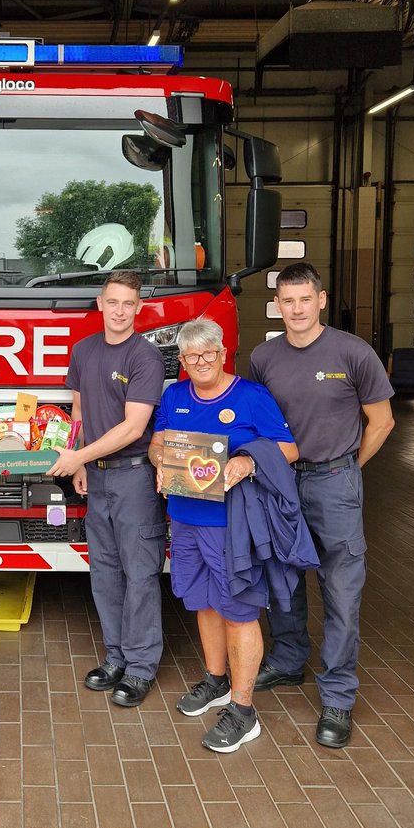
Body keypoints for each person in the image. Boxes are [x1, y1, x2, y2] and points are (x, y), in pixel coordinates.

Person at [249, 261, 395, 748]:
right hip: (281, 482)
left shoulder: (353, 353)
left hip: (334, 480)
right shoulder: (264, 358)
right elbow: (257, 421)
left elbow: (382, 421)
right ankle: (289, 661)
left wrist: (351, 466)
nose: (296, 309)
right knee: (284, 577)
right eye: (286, 301)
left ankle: (337, 697)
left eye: (304, 299)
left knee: (341, 589)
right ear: (276, 305)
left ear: (321, 300)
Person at [149, 318, 300, 752]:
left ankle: (243, 708)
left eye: (208, 354)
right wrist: (160, 458)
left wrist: (248, 462)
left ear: (222, 354)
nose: (200, 362)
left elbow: (288, 448)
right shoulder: (175, 394)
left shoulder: (251, 396)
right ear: (181, 360)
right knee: (202, 601)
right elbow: (157, 442)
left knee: (238, 608)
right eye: (191, 356)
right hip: (185, 517)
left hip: (232, 523)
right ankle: (216, 680)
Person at [48, 270, 167, 707]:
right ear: (100, 304)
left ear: (138, 308)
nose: (119, 311)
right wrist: (81, 458)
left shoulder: (145, 357)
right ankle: (115, 656)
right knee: (105, 571)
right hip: (96, 475)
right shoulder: (84, 350)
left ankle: (140, 668)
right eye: (112, 302)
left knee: (140, 574)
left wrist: (78, 457)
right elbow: (78, 407)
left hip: (133, 475)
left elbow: (134, 426)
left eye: (127, 304)